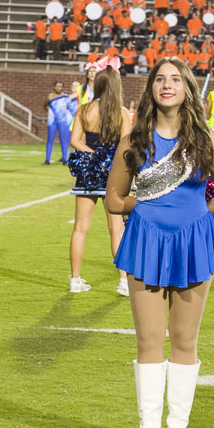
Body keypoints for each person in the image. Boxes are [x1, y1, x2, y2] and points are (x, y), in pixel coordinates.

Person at [106, 57, 214, 428]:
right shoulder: (133, 140)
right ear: (150, 89)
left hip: (193, 243)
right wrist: (146, 205)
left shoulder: (207, 139)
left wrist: (193, 215)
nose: (167, 85)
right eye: (159, 79)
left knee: (185, 341)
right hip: (144, 240)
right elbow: (113, 200)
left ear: (187, 88)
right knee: (148, 341)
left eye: (175, 79)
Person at [68, 60, 132, 295]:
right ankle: (124, 282)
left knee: (80, 228)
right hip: (111, 174)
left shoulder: (84, 109)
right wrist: (106, 158)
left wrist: (91, 155)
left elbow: (75, 141)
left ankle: (75, 281)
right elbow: (125, 146)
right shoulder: (122, 113)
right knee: (116, 230)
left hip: (87, 173)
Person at [44, 81, 71, 165]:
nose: (59, 88)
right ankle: (47, 159)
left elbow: (70, 107)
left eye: (60, 86)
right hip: (52, 121)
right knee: (50, 140)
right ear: (54, 87)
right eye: (57, 86)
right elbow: (45, 105)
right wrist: (50, 111)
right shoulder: (50, 96)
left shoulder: (65, 97)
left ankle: (64, 159)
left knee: (64, 140)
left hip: (62, 121)